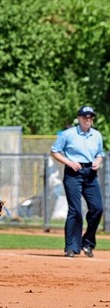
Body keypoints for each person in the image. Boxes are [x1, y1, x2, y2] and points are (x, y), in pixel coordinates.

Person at [50, 106, 104, 258]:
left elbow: (100, 153)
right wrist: (68, 162)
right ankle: (71, 247)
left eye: (91, 118)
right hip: (74, 173)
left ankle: (87, 242)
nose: (88, 120)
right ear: (79, 118)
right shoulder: (69, 134)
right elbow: (54, 151)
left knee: (97, 208)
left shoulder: (97, 135)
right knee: (76, 210)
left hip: (91, 173)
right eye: (85, 117)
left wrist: (98, 161)